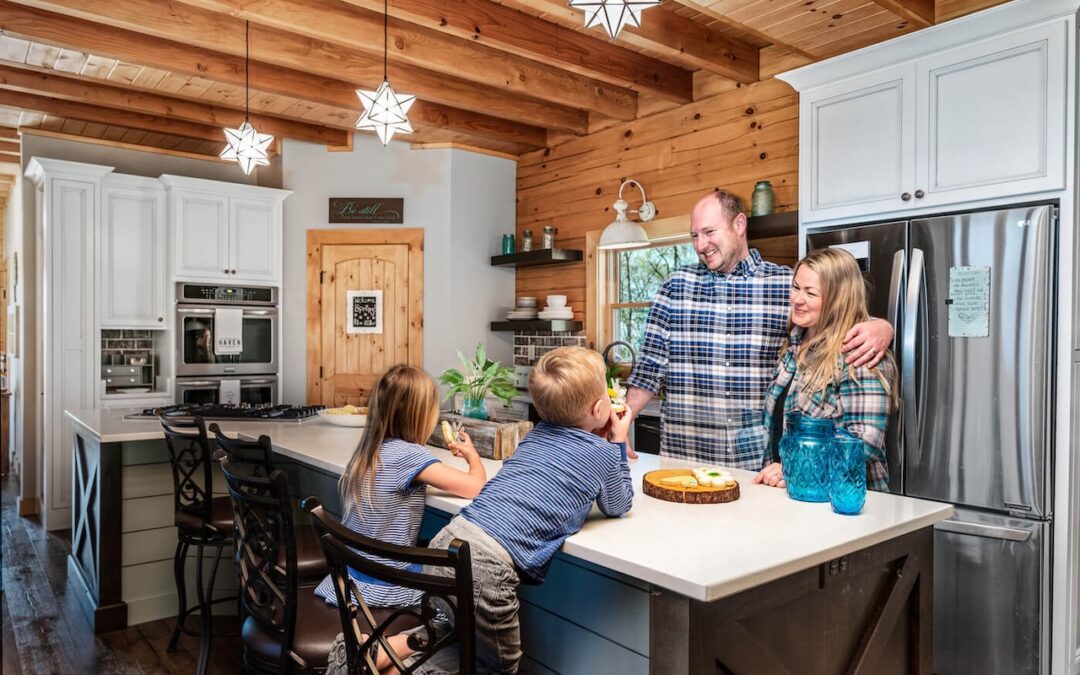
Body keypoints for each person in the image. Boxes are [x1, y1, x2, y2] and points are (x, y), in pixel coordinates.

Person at [625, 190, 893, 468]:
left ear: (739, 225)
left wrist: (883, 328)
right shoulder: (674, 288)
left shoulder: (787, 286)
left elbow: (840, 317)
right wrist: (623, 420)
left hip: (757, 466)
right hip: (686, 458)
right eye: (694, 235)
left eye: (709, 232)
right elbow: (649, 369)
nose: (701, 244)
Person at [424, 346, 635, 673]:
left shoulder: (534, 436)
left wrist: (601, 441)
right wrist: (617, 443)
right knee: (498, 667)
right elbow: (619, 504)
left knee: (457, 644)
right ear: (598, 408)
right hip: (485, 568)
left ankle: (393, 662)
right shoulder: (604, 453)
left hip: (445, 544)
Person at [314, 365, 487, 669]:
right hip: (388, 582)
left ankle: (381, 661)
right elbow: (476, 487)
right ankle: (383, 649)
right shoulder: (411, 456)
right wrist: (472, 455)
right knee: (462, 615)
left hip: (353, 577)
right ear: (420, 416)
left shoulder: (368, 450)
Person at [751, 247, 897, 490]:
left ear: (836, 300)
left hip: (844, 506)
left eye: (810, 292)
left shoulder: (858, 351)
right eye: (796, 287)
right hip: (798, 499)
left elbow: (865, 444)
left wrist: (793, 467)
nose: (797, 299)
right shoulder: (793, 345)